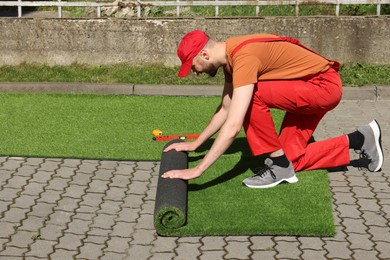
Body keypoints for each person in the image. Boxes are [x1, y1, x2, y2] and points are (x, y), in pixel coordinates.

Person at [161, 30, 384, 188]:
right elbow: (226, 108)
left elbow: (233, 124)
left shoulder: (243, 58)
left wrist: (198, 170)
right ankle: (360, 139)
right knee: (291, 161)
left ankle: (277, 164)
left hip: (322, 86)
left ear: (204, 55)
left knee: (249, 95)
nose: (195, 72)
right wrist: (196, 143)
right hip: (307, 86)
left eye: (193, 66)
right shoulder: (230, 59)